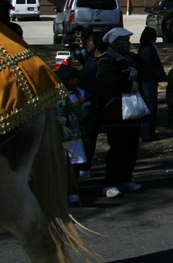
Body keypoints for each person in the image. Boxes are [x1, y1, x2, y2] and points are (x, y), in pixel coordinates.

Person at [96, 27, 153, 198]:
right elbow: (111, 81)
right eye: (125, 40)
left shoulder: (132, 58)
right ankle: (110, 183)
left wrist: (133, 73)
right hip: (115, 112)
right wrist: (130, 79)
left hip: (133, 112)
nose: (129, 44)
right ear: (116, 42)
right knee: (117, 148)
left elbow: (147, 71)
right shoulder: (106, 60)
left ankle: (126, 178)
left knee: (132, 147)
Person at [56, 65, 90, 204]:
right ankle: (63, 191)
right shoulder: (56, 95)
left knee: (75, 163)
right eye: (71, 78)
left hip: (77, 136)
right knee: (63, 164)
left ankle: (73, 191)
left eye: (76, 78)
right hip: (62, 136)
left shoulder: (81, 93)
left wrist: (86, 111)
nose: (75, 81)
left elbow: (90, 104)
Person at [78, 30, 106, 179]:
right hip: (83, 104)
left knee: (89, 137)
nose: (86, 43)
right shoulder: (89, 60)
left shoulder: (102, 62)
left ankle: (85, 166)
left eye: (89, 41)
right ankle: (81, 165)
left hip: (94, 106)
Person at [138, 27, 167, 142]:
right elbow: (148, 66)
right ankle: (147, 133)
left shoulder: (144, 47)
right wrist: (157, 74)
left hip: (147, 80)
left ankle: (148, 132)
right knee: (151, 106)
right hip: (148, 81)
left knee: (149, 106)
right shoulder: (149, 49)